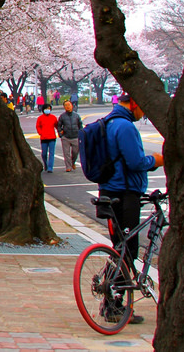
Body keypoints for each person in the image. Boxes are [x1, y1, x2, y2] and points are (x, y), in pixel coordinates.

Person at [97, 94, 163, 325]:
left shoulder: (108, 122)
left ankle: (110, 302)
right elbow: (135, 162)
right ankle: (114, 305)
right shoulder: (124, 126)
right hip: (124, 194)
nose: (142, 114)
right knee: (128, 249)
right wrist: (155, 160)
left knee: (120, 247)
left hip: (108, 192)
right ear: (134, 103)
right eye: (142, 108)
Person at [56, 100, 82, 172]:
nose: (68, 106)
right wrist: (61, 134)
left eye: (69, 105)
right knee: (66, 153)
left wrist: (81, 134)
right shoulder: (62, 116)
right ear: (64, 107)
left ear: (72, 106)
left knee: (75, 152)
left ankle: (73, 162)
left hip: (75, 136)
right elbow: (59, 126)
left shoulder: (76, 115)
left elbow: (80, 126)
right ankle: (68, 166)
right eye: (66, 105)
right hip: (66, 137)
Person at [35, 104, 58, 173]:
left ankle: (50, 167)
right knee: (44, 154)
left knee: (51, 153)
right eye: (46, 108)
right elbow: (38, 126)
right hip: (44, 138)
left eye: (49, 108)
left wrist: (60, 131)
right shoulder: (40, 118)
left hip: (52, 137)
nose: (48, 110)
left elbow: (57, 125)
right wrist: (40, 133)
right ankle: (46, 164)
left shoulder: (53, 117)